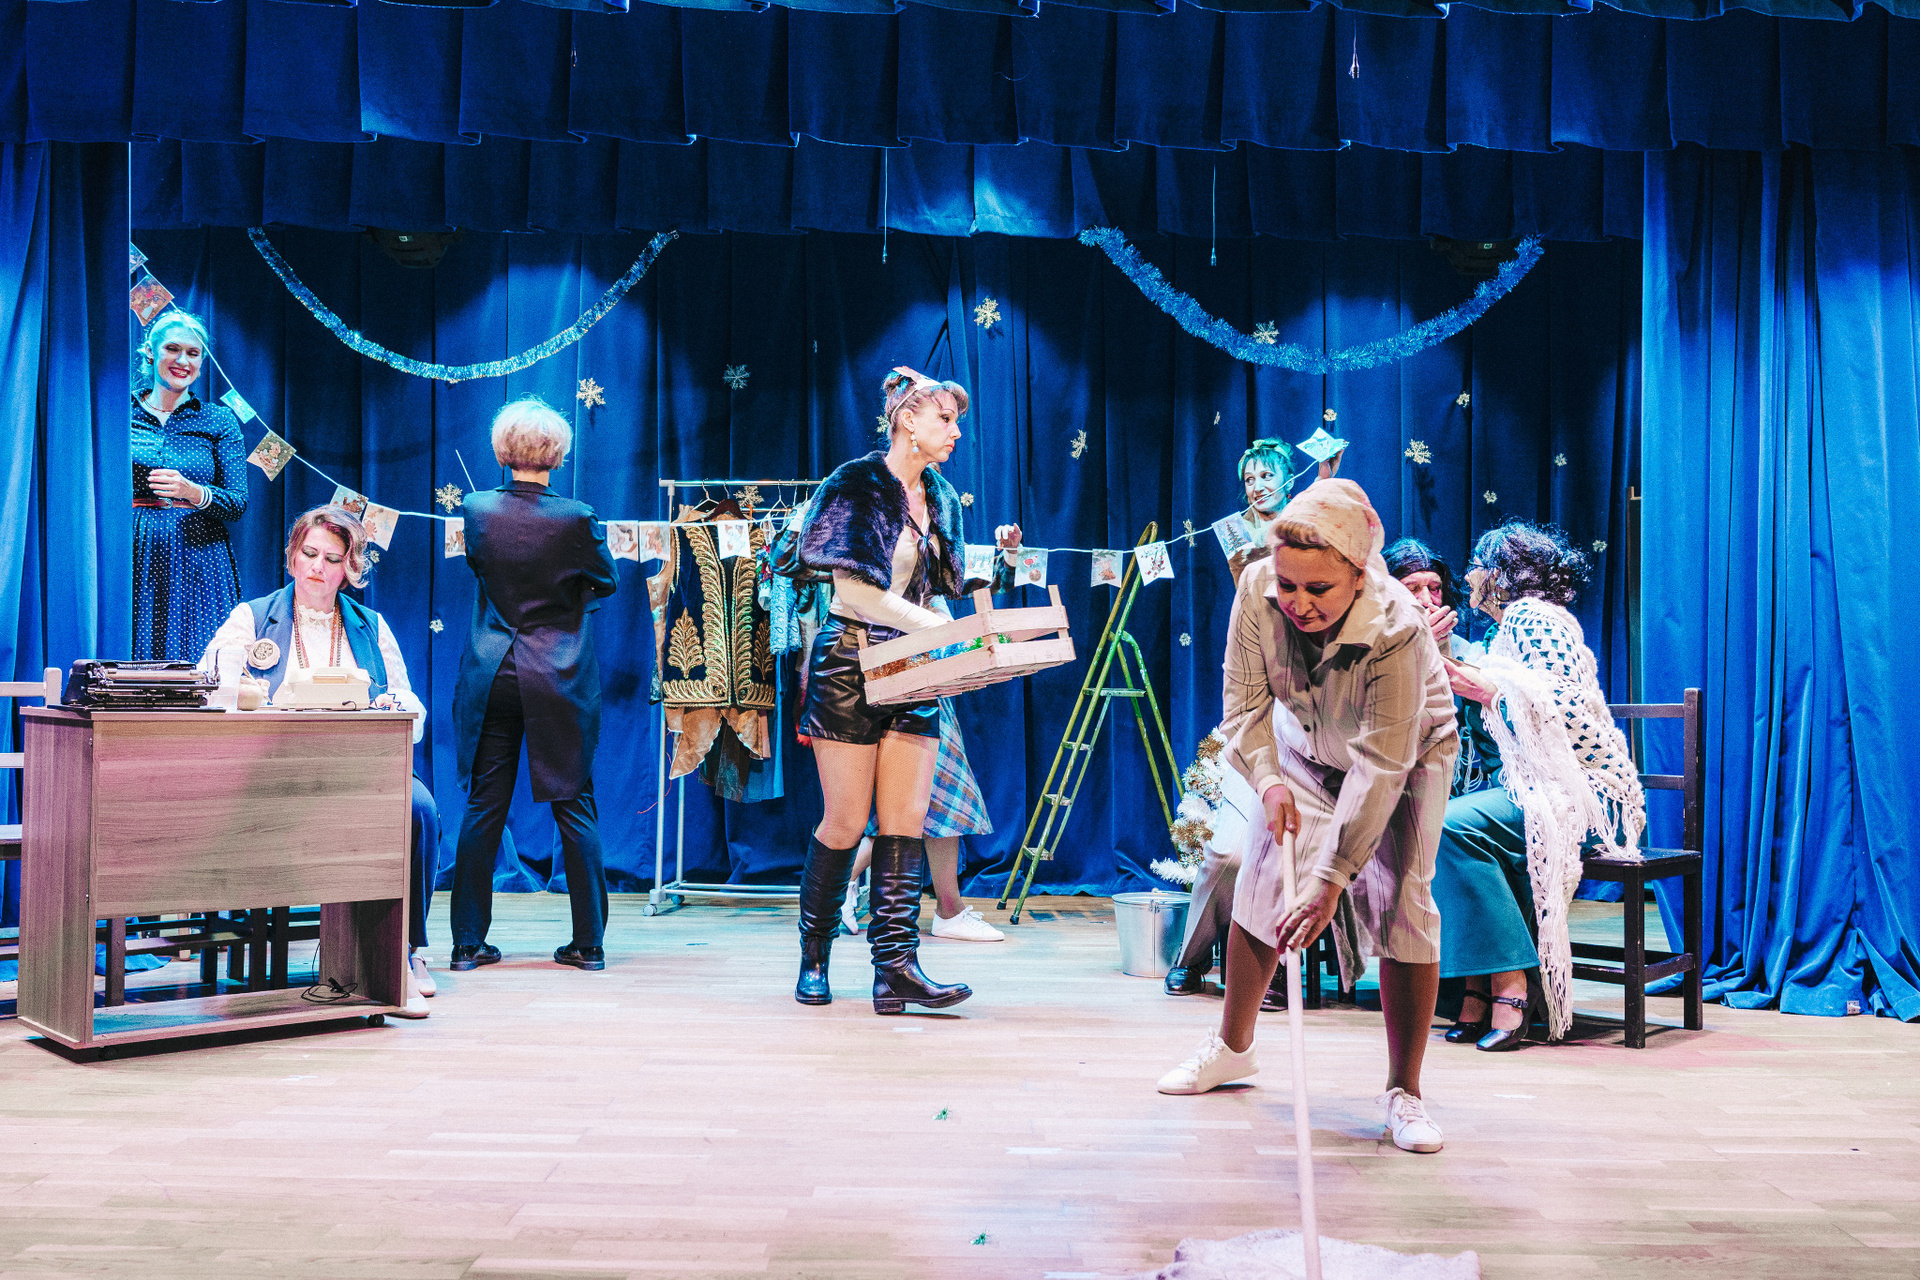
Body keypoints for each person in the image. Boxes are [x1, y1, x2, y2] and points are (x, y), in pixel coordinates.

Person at [1155, 478, 1458, 1158]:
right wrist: (1267, 780)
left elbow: (1380, 765)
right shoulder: (1257, 587)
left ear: (1359, 574)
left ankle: (1404, 1091)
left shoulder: (1398, 627)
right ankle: (1233, 1048)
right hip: (1304, 745)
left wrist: (1333, 877)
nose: (1298, 602)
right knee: (1262, 879)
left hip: (1408, 753)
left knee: (1403, 898)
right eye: (1288, 585)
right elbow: (1244, 704)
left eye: (1318, 589)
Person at [791, 366, 1017, 1014]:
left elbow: (942, 588)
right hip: (849, 662)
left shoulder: (939, 497)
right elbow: (857, 592)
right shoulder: (857, 484)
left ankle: (895, 968)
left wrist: (989, 584)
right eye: (945, 418)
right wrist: (938, 628)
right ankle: (814, 956)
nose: (956, 431)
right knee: (844, 821)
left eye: (957, 421)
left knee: (905, 822)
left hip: (912, 667)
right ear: (906, 419)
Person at [198, 505, 438, 1018]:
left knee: (418, 807)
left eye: (333, 559)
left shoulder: (372, 626)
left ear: (350, 569)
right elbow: (210, 688)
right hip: (274, 772)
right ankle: (371, 957)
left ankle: (406, 949)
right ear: (292, 556)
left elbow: (410, 706)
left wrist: (390, 705)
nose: (317, 567)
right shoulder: (252, 617)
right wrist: (246, 695)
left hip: (357, 771)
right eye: (309, 554)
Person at [1429, 522, 1646, 1051]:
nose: (1470, 576)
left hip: (1582, 795)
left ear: (1502, 574)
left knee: (1451, 827)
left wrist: (1490, 691)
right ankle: (1480, 986)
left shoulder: (1536, 617)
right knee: (1439, 822)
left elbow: (1563, 708)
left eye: (1478, 565)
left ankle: (1509, 986)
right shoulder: (1500, 635)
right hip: (1531, 789)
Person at [1166, 437, 1339, 1005]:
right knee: (1227, 853)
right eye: (1249, 479)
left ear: (1289, 478)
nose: (1258, 486)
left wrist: (1323, 487)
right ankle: (1192, 958)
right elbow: (1264, 561)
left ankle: (1272, 969)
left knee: (1294, 854)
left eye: (1268, 475)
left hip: (1317, 729)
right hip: (1262, 718)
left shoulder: (1319, 531)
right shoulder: (1239, 536)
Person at [449, 398, 618, 974]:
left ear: (503, 450)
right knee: (575, 803)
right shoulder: (576, 516)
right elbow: (606, 580)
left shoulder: (476, 509)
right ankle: (588, 945)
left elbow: (483, 568)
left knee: (484, 804)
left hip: (492, 670)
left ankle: (467, 945)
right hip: (558, 675)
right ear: (558, 454)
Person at [132, 311, 248, 661]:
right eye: (172, 349)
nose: (183, 361)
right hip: (136, 550)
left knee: (199, 659)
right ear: (150, 352)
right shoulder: (121, 412)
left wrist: (192, 491)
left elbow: (238, 503)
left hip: (200, 555)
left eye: (193, 353)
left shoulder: (218, 419)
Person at [841, 696, 1003, 943]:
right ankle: (839, 885)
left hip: (923, 695)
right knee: (931, 799)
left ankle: (949, 910)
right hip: (911, 696)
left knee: (933, 803)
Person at [1383, 537, 1503, 798]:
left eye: (1435, 588)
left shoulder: (1462, 649)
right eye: (1411, 588)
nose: (1427, 600)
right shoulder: (1364, 648)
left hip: (1447, 788)